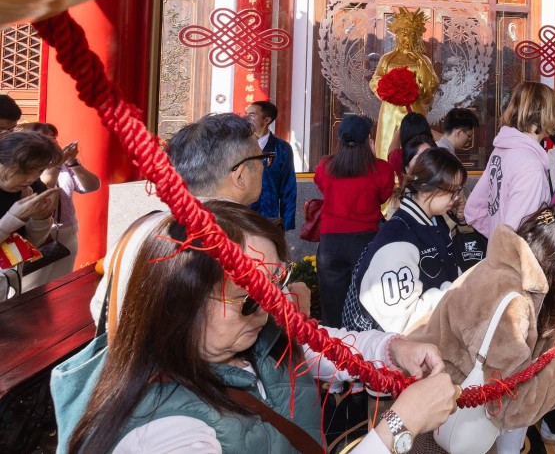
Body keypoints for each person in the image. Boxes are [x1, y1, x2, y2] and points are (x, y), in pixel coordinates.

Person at [54, 200, 460, 454]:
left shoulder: (250, 338)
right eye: (249, 297)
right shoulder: (166, 433)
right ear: (180, 302)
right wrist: (399, 427)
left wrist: (394, 350)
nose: (265, 312)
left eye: (274, 290)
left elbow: (328, 346)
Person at [408, 207, 555, 454]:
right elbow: (512, 408)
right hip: (441, 428)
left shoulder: (504, 268)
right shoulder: (514, 306)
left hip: (430, 400)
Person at [89, 113, 271, 325]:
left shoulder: (139, 229)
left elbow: (100, 311)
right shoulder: (248, 244)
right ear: (240, 175)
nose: (263, 167)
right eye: (262, 159)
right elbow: (266, 326)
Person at [345, 148, 464, 334]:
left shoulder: (436, 221)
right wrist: (453, 293)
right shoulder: (398, 238)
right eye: (453, 192)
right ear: (429, 188)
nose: (456, 199)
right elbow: (402, 322)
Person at [314, 114, 395, 327]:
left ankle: (331, 353)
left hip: (331, 241)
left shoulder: (325, 166)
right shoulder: (382, 169)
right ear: (369, 140)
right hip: (366, 240)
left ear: (339, 140)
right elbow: (384, 197)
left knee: (331, 305)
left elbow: (323, 188)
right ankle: (363, 352)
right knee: (364, 304)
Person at [465, 81, 555, 238]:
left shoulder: (501, 150)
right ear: (548, 115)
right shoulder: (530, 165)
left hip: (496, 256)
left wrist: (494, 237)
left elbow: (474, 210)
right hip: (515, 260)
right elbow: (518, 235)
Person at [21, 122, 100, 282]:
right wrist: (56, 165)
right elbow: (44, 190)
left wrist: (73, 162)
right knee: (30, 287)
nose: (53, 142)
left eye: (53, 137)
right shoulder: (25, 166)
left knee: (60, 285)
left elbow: (92, 186)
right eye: (46, 138)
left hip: (67, 232)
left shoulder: (63, 165)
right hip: (39, 235)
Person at [369, 8, 439, 159]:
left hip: (414, 110)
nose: (408, 39)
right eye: (405, 34)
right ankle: (388, 173)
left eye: (412, 35)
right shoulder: (387, 59)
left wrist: (420, 65)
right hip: (390, 111)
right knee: (388, 147)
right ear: (397, 35)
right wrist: (388, 90)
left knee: (416, 144)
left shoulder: (423, 60)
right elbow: (375, 80)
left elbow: (432, 85)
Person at [0, 130, 61, 297]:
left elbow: (29, 242)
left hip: (8, 282)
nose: (31, 178)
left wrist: (41, 219)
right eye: (25, 171)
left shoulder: (34, 188)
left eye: (39, 171)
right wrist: (13, 219)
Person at [245, 100, 297, 232]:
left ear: (266, 119)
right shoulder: (239, 146)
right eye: (246, 114)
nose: (246, 118)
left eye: (252, 115)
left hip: (269, 218)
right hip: (242, 217)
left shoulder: (282, 148)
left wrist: (286, 223)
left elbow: (288, 187)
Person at [386, 112, 436, 176]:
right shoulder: (436, 152)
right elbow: (448, 141)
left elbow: (390, 154)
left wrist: (398, 132)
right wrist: (427, 129)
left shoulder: (398, 156)